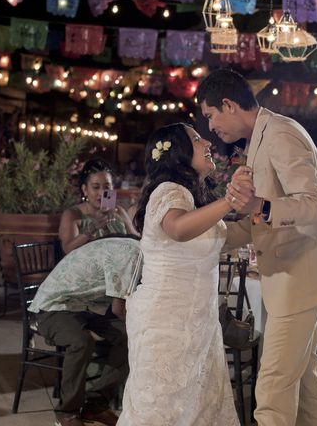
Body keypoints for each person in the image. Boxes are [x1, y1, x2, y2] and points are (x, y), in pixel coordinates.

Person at [196, 69, 317, 425]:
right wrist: (212, 237)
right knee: (305, 385)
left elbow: (315, 205)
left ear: (229, 105)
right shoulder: (261, 138)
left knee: (272, 389)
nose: (211, 127)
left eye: (210, 115)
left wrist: (261, 206)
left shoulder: (280, 134)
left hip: (300, 278)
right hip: (292, 277)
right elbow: (260, 218)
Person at [117, 123, 239, 426]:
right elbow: (179, 228)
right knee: (160, 411)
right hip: (166, 323)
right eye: (197, 139)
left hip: (199, 323)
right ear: (178, 153)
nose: (208, 141)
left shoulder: (194, 196)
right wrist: (230, 200)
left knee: (199, 410)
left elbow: (215, 237)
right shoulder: (168, 191)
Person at [29, 237, 141, 426]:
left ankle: (95, 405)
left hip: (86, 307)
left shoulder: (137, 251)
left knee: (131, 339)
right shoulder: (132, 255)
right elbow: (118, 309)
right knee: (80, 342)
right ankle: (67, 412)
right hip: (54, 305)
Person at [59, 159, 136, 254]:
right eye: (96, 187)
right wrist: (92, 228)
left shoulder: (119, 211)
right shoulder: (73, 214)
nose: (101, 193)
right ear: (85, 189)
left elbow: (135, 239)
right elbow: (67, 249)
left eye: (107, 187)